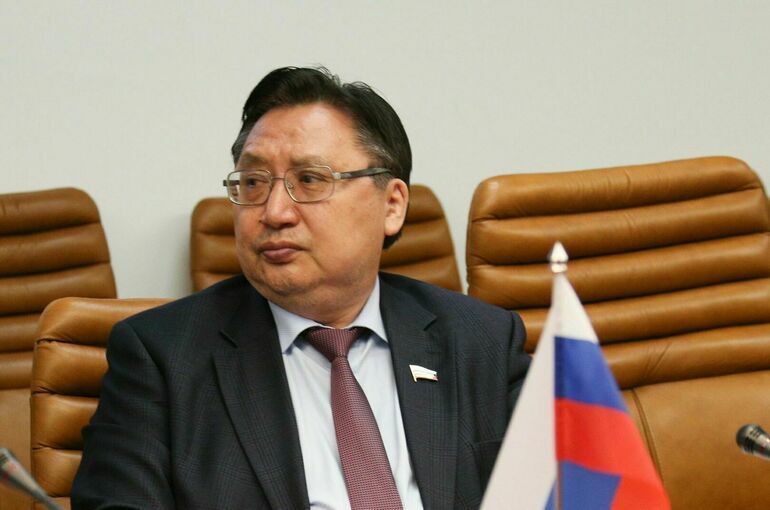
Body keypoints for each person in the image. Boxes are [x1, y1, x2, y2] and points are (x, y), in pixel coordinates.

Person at [72, 66, 530, 509]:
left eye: (309, 180)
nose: (274, 212)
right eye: (254, 182)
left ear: (392, 205)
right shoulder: (161, 358)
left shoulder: (481, 341)